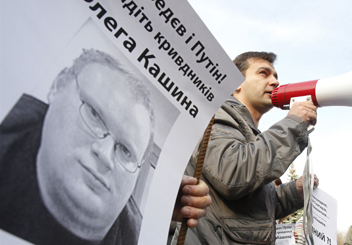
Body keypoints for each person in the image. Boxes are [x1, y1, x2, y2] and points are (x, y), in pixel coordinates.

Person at [0, 49, 211, 245]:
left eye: (126, 150)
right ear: (58, 86)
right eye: (94, 115)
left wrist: (162, 217)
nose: (104, 155)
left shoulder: (136, 231)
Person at [171, 51, 319, 244]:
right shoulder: (216, 114)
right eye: (263, 73)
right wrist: (293, 124)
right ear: (236, 84)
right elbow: (232, 173)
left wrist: (294, 192)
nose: (275, 82)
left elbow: (253, 209)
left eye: (275, 76)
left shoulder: (248, 133)